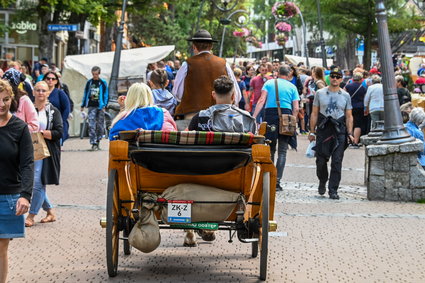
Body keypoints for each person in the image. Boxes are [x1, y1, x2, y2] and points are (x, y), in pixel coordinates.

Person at [172, 29, 241, 130]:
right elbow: (237, 95)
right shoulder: (223, 63)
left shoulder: (187, 64)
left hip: (190, 118)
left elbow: (177, 94)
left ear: (194, 46)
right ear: (211, 46)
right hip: (219, 119)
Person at [0, 79, 33, 283]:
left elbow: (27, 164)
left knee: (1, 246)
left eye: (5, 99)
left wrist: (25, 195)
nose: (1, 104)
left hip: (9, 196)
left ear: (12, 99)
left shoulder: (19, 128)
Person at [308, 67, 354, 200]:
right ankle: (322, 180)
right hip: (323, 129)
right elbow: (314, 113)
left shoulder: (345, 95)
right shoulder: (320, 93)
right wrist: (312, 131)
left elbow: (349, 116)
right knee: (321, 161)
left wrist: (350, 133)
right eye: (332, 76)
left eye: (338, 76)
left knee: (337, 161)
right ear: (329, 78)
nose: (335, 79)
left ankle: (333, 189)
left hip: (339, 130)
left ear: (341, 79)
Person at [253, 65, 300, 191]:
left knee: (271, 149)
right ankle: (277, 181)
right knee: (283, 151)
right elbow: (296, 108)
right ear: (289, 74)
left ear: (278, 73)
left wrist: (254, 116)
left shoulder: (269, 83)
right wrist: (293, 121)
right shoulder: (292, 87)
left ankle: (269, 177)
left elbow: (262, 100)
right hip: (286, 116)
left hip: (271, 115)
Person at [25, 81, 63, 227]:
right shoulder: (29, 109)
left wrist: (40, 133)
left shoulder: (53, 112)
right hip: (28, 150)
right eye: (38, 90)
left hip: (46, 152)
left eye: (43, 90)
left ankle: (31, 215)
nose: (40, 93)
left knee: (38, 183)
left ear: (48, 93)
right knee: (34, 182)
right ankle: (50, 211)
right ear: (33, 92)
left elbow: (59, 132)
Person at [188, 75, 256, 133]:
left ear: (213, 95)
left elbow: (187, 136)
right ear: (233, 96)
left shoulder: (200, 117)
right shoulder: (246, 118)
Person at [109, 82, 177, 140]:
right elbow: (174, 133)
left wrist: (123, 109)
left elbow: (113, 139)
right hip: (160, 153)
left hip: (132, 154)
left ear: (129, 98)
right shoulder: (163, 113)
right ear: (150, 96)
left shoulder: (123, 118)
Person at [80, 66, 108, 151]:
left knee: (100, 125)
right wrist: (83, 104)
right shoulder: (89, 82)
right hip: (91, 106)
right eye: (93, 74)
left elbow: (106, 94)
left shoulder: (103, 82)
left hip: (100, 106)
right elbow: (86, 93)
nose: (95, 76)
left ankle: (98, 140)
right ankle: (93, 142)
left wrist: (105, 105)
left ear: (99, 74)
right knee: (91, 124)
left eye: (96, 74)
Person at [43, 71, 70, 143]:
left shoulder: (60, 93)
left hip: (56, 125)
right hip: (43, 125)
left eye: (53, 79)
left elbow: (67, 108)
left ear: (56, 81)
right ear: (44, 79)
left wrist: (62, 121)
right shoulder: (40, 92)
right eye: (48, 78)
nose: (50, 80)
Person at [344, 72, 367, 147]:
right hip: (359, 107)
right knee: (358, 124)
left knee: (349, 122)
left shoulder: (348, 86)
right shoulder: (363, 88)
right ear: (361, 79)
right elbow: (365, 98)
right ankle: (355, 142)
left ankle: (349, 139)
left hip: (349, 107)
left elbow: (343, 95)